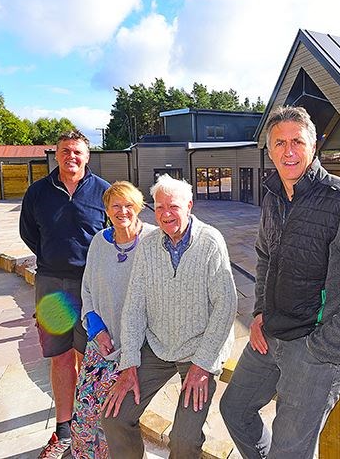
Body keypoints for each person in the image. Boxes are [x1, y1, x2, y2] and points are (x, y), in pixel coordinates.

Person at [220, 106, 340, 458]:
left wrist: (322, 348)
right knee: (235, 410)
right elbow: (265, 257)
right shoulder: (273, 198)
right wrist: (259, 312)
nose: (289, 151)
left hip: (315, 350)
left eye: (297, 142)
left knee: (288, 452)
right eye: (280, 143)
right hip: (271, 335)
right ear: (269, 150)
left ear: (314, 145)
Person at [100, 174, 237, 459]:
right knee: (114, 416)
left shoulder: (211, 242)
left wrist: (202, 365)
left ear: (189, 206)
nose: (165, 214)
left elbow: (225, 306)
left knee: (184, 441)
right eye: (159, 207)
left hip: (199, 351)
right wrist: (129, 365)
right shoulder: (149, 245)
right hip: (158, 346)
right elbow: (135, 306)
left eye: (173, 206)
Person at [20, 130, 111, 459]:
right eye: (65, 152)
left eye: (77, 152)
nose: (71, 157)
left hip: (93, 287)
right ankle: (63, 429)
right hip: (52, 287)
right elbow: (29, 234)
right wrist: (54, 258)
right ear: (56, 155)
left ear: (87, 156)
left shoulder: (103, 192)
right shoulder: (38, 193)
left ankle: (93, 428)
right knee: (60, 356)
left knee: (93, 359)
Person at [71, 181, 157, 458]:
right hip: (102, 342)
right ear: (107, 210)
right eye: (115, 206)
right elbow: (87, 289)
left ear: (140, 207)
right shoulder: (99, 242)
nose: (123, 211)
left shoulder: (154, 241)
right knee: (85, 408)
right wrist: (96, 330)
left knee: (113, 411)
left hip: (140, 347)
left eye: (129, 205)